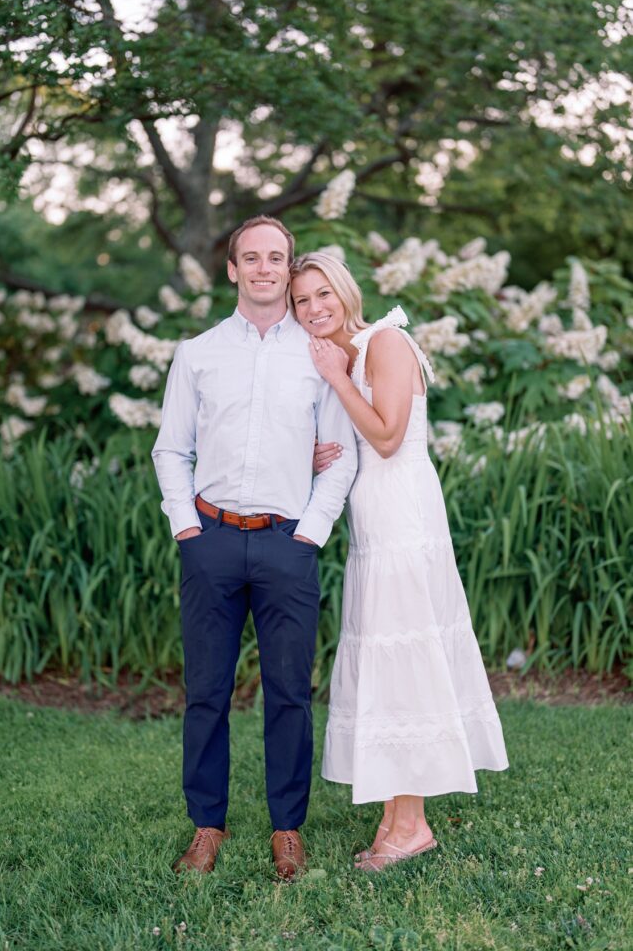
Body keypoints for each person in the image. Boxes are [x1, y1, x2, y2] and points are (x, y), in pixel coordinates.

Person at [289, 251, 509, 872]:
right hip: (374, 522)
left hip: (404, 519)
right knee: (385, 657)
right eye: (302, 300)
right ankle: (396, 816)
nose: (314, 309)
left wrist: (336, 378)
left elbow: (386, 437)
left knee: (405, 658)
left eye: (323, 294)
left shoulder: (384, 342)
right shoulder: (345, 355)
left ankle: (411, 826)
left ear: (345, 291)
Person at [152, 218, 357, 880]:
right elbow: (169, 448)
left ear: (287, 267)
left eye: (276, 258)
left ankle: (286, 830)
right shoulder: (198, 353)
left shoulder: (320, 355)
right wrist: (187, 527)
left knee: (290, 695)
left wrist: (309, 534)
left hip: (285, 545)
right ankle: (207, 825)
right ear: (233, 269)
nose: (265, 267)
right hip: (210, 541)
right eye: (251, 257)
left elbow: (340, 455)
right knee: (206, 693)